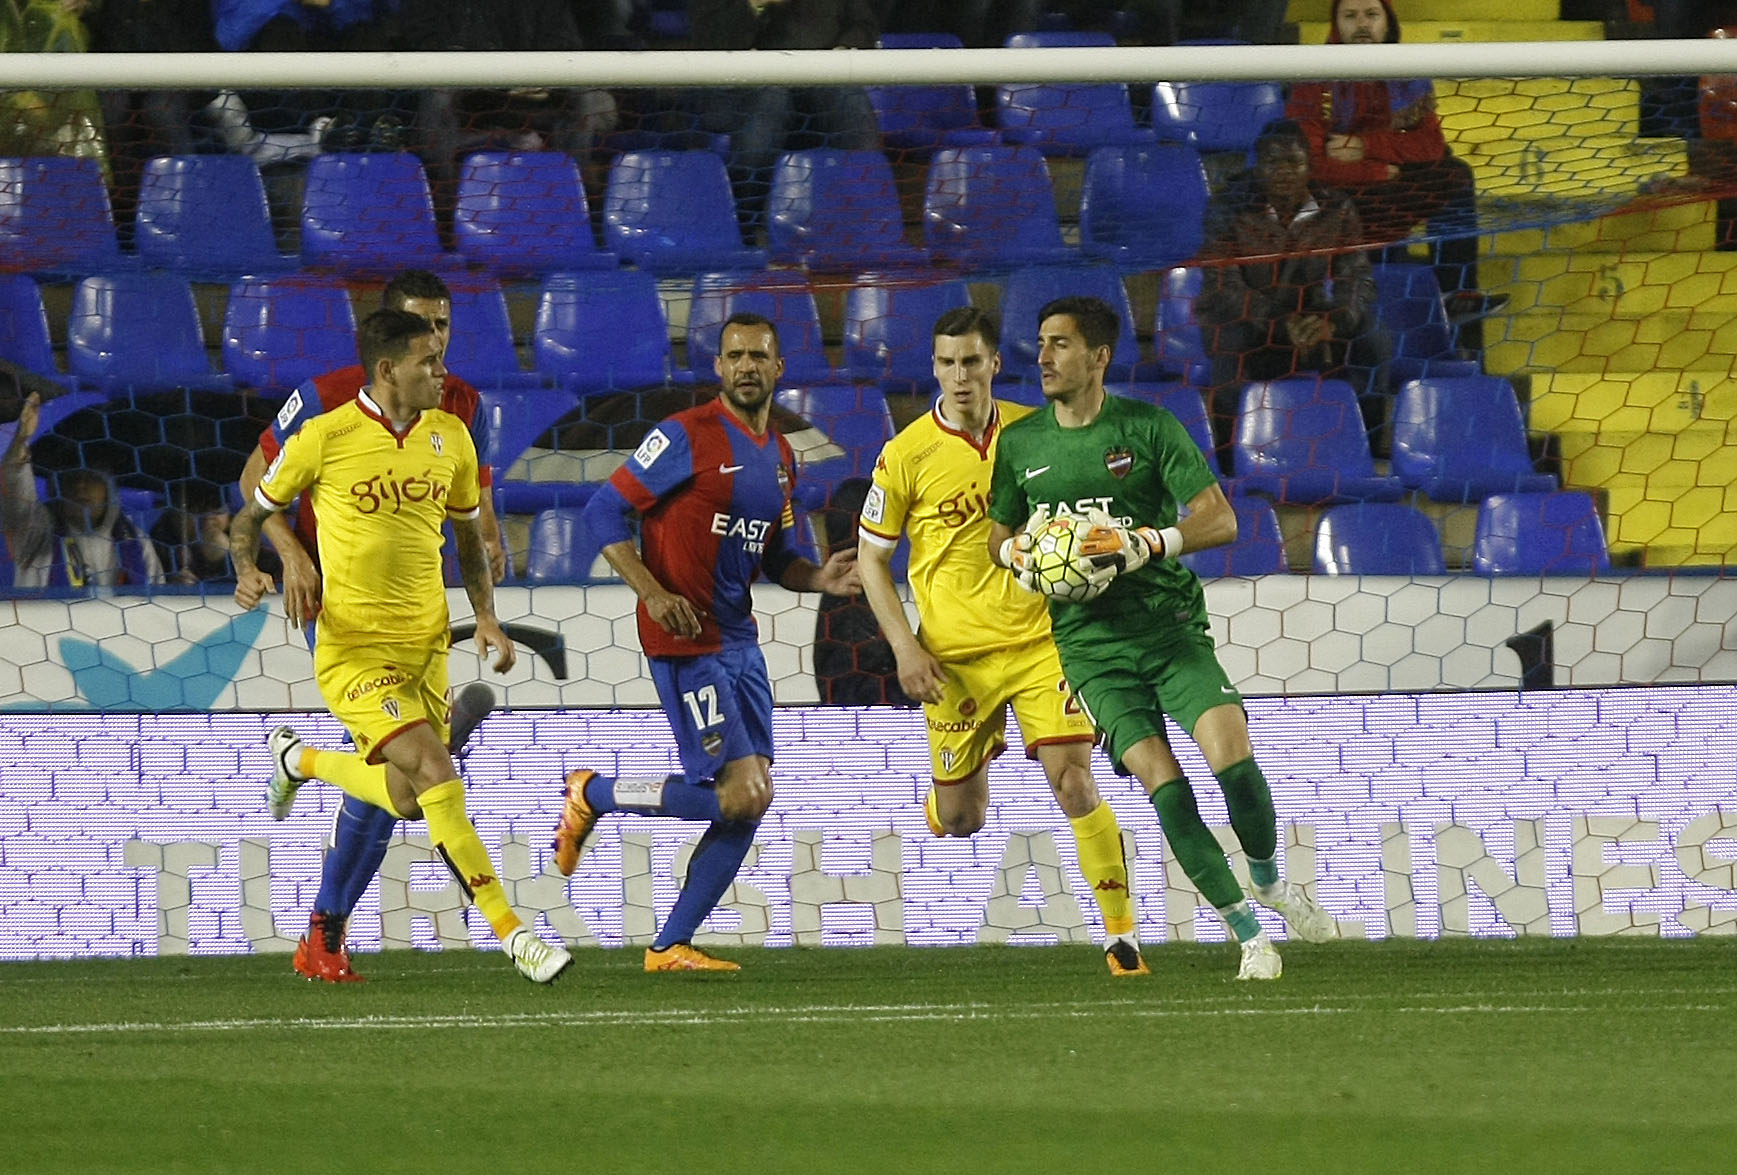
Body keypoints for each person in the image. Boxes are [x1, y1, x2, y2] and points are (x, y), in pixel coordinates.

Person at [986, 296, 1336, 980]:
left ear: (1098, 356)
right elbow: (999, 535)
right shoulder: (1021, 444)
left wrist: (1147, 542)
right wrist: (1020, 557)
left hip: (1168, 628)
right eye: (1041, 343)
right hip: (1090, 649)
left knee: (1233, 762)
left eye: (1059, 343)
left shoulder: (1145, 428)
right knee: (1165, 787)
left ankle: (1267, 881)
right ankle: (1248, 936)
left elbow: (1219, 518)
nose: (1045, 357)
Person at [231, 307, 571, 985]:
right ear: (388, 369)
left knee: (408, 797)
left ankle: (297, 758)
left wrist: (487, 617)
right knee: (437, 769)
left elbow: (469, 539)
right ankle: (515, 935)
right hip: (352, 648)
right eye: (429, 361)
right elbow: (249, 512)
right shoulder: (323, 437)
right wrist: (255, 564)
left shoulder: (451, 437)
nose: (443, 371)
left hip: (425, 647)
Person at [553, 312, 861, 972]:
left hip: (739, 639)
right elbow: (603, 511)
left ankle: (669, 946)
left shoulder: (779, 455)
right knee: (742, 793)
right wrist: (652, 592)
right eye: (734, 355)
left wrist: (821, 578)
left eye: (759, 355)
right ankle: (593, 793)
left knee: (753, 796)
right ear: (717, 368)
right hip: (683, 635)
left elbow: (777, 556)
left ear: (779, 369)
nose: (746, 365)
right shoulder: (682, 435)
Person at [855, 306, 1148, 977]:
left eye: (970, 361)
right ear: (933, 369)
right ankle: (942, 799)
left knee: (1074, 781)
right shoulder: (904, 454)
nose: (958, 376)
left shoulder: (1036, 431)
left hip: (1041, 643)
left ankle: (1121, 936)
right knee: (961, 820)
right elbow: (871, 560)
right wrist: (905, 647)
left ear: (993, 363)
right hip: (953, 660)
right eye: (945, 363)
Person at [1285, 0, 1508, 351]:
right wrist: (1374, 169)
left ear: (1387, 23)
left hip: (1387, 189)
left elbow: (1430, 146)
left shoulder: (1408, 74)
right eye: (1350, 16)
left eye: (1371, 15)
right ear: (1335, 24)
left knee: (1455, 175)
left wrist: (1363, 144)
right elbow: (1310, 162)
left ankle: (1454, 292)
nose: (1361, 24)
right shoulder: (1313, 77)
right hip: (1336, 200)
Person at [1194, 118, 1394, 456]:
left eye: (1294, 162)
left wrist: (1335, 321)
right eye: (1273, 162)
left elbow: (1357, 277)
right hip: (1250, 324)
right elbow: (1224, 286)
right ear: (1258, 168)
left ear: (1309, 166)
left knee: (1374, 339)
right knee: (1228, 341)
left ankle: (1366, 453)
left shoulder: (1337, 207)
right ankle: (1229, 461)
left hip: (1311, 321)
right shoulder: (1227, 209)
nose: (1284, 171)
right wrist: (1280, 324)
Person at [688, 0, 882, 228]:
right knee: (772, 99)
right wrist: (753, 5)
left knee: (848, 96)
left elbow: (863, 25)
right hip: (742, 85)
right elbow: (710, 43)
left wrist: (838, 57)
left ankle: (867, 223)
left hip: (821, 77)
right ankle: (744, 224)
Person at [2, 391, 163, 590]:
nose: (81, 485)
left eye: (92, 477)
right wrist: (20, 444)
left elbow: (157, 598)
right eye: (72, 478)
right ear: (57, 487)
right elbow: (17, 501)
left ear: (109, 488)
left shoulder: (137, 541)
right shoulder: (37, 532)